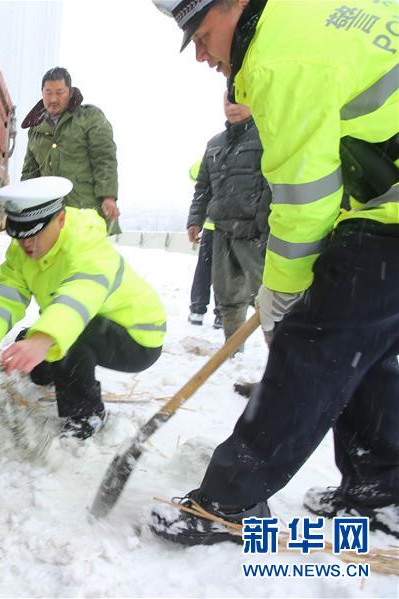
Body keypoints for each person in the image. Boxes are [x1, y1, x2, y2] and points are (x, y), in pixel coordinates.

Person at [150, 0, 398, 543]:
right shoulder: (307, 13)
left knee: (314, 348)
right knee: (370, 352)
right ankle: (381, 494)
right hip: (385, 207)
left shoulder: (276, 59)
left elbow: (305, 198)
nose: (200, 54)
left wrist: (281, 295)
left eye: (201, 32)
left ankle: (228, 503)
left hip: (389, 217)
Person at [0, 176, 166, 439]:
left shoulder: (87, 242)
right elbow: (7, 294)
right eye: (20, 236)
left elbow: (81, 295)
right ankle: (53, 362)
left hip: (137, 339)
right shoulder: (22, 250)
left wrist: (44, 338)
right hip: (86, 323)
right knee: (39, 349)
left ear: (60, 220)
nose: (27, 244)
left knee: (67, 338)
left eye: (35, 234)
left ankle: (86, 413)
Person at [187, 92, 270, 344]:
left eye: (238, 101)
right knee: (228, 297)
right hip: (222, 231)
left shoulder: (267, 137)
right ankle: (233, 350)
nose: (231, 107)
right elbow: (203, 187)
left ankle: (281, 355)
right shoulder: (215, 143)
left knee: (268, 299)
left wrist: (264, 226)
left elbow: (273, 185)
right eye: (227, 102)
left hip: (254, 233)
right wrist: (195, 219)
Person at [20, 67, 122, 235]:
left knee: (85, 259)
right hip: (50, 215)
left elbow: (104, 159)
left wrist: (108, 197)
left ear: (70, 91)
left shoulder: (90, 117)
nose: (53, 98)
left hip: (85, 211)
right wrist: (24, 204)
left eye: (59, 92)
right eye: (48, 92)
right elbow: (30, 172)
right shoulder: (35, 129)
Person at [186, 158, 221, 328]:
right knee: (226, 272)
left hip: (212, 226)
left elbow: (194, 174)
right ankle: (221, 314)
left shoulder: (213, 154)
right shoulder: (216, 151)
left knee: (204, 270)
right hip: (227, 227)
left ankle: (198, 310)